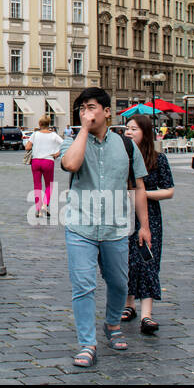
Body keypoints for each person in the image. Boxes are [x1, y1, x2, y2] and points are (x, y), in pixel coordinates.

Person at [58, 87, 150, 369]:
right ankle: (87, 343)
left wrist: (144, 226)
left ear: (107, 111)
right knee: (83, 286)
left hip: (116, 228)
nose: (86, 113)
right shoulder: (71, 142)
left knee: (119, 283)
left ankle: (112, 325)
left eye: (92, 107)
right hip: (80, 226)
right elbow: (71, 164)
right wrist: (84, 131)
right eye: (82, 109)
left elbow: (139, 186)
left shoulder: (126, 145)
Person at [121, 114, 174, 335]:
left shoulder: (158, 159)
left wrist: (143, 195)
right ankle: (128, 304)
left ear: (145, 133)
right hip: (123, 215)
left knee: (147, 261)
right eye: (127, 129)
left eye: (134, 129)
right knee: (126, 260)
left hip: (149, 216)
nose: (129, 132)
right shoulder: (121, 156)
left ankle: (147, 315)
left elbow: (169, 190)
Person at [25, 114, 62, 218]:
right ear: (48, 124)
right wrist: (57, 154)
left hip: (36, 161)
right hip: (48, 161)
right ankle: (45, 204)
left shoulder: (35, 134)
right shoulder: (53, 135)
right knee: (49, 185)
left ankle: (38, 209)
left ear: (40, 124)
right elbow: (64, 144)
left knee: (37, 185)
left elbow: (27, 147)